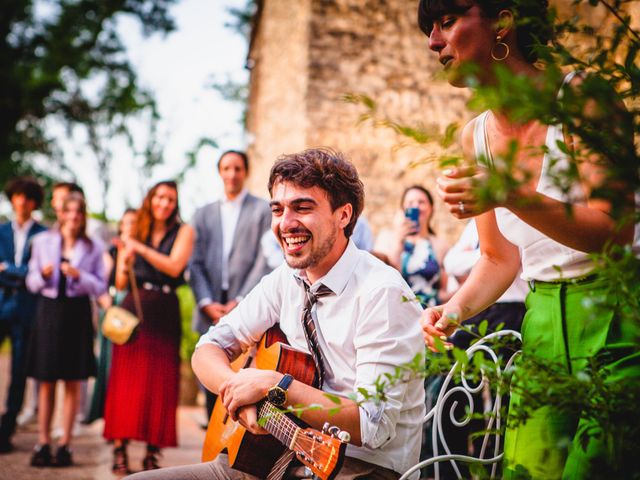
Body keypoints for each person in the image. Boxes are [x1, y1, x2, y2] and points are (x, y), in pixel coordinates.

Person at [417, 0, 639, 478]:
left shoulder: (582, 98)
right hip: (539, 333)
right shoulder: (472, 138)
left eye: (448, 21)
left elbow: (616, 232)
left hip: (620, 319)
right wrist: (450, 311)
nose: (433, 42)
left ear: (504, 21)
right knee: (526, 472)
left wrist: (509, 193)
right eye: (429, 29)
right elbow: (499, 259)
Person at [126, 148, 426, 480]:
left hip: (361, 468)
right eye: (278, 209)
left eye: (303, 207)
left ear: (344, 215)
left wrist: (275, 385)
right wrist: (238, 391)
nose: (286, 223)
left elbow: (373, 426)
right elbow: (208, 348)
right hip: (268, 455)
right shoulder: (286, 279)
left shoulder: (382, 293)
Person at [103, 181, 194, 474]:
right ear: (150, 199)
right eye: (160, 197)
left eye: (170, 199)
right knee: (124, 382)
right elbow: (118, 283)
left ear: (175, 204)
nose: (164, 203)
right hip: (133, 307)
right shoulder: (135, 229)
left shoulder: (184, 231)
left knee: (160, 382)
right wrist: (124, 261)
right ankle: (120, 449)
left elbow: (174, 267)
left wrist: (138, 247)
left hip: (165, 309)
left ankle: (152, 452)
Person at [25, 192, 106, 467]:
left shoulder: (94, 247)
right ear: (60, 214)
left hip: (77, 313)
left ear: (83, 216)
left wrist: (79, 276)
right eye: (68, 211)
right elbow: (30, 280)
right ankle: (43, 442)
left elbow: (100, 287)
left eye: (78, 212)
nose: (73, 217)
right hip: (48, 312)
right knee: (45, 380)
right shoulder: (41, 242)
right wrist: (43, 276)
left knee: (73, 380)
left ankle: (66, 445)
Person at [189, 150, 272, 419]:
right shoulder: (202, 214)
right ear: (220, 172)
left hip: (245, 298)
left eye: (237, 168)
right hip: (210, 301)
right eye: (226, 168)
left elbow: (264, 258)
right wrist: (204, 302)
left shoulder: (261, 210)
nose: (232, 174)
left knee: (242, 374)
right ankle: (212, 442)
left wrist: (241, 299)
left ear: (245, 172)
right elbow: (195, 262)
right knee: (211, 370)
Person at [0, 177, 47, 453]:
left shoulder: (43, 234)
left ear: (34, 203)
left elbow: (37, 274)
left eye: (28, 197)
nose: (22, 202)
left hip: (28, 312)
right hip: (2, 306)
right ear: (12, 198)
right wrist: (23, 274)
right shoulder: (2, 231)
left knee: (19, 374)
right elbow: (28, 274)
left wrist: (8, 271)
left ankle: (6, 432)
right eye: (18, 196)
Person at [86, 208, 138, 424]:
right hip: (116, 311)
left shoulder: (143, 250)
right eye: (126, 222)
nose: (130, 226)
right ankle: (107, 414)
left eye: (134, 222)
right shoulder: (111, 250)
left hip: (137, 309)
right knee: (109, 364)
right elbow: (103, 283)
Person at [376, 185, 450, 307]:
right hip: (397, 311)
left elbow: (443, 290)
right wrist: (398, 241)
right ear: (402, 209)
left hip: (429, 312)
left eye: (421, 202)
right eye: (410, 203)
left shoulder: (440, 245)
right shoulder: (386, 238)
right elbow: (386, 279)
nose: (416, 206)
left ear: (431, 208)